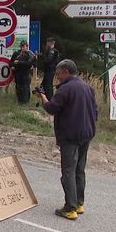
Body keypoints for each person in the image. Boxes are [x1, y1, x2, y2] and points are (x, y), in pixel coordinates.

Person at [35, 59, 97, 220]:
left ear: (66, 72)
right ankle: (79, 203)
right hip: (87, 134)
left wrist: (42, 96)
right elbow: (95, 111)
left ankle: (70, 208)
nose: (57, 77)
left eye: (59, 73)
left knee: (68, 171)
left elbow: (51, 108)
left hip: (70, 136)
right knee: (79, 170)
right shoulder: (87, 87)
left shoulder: (65, 89)